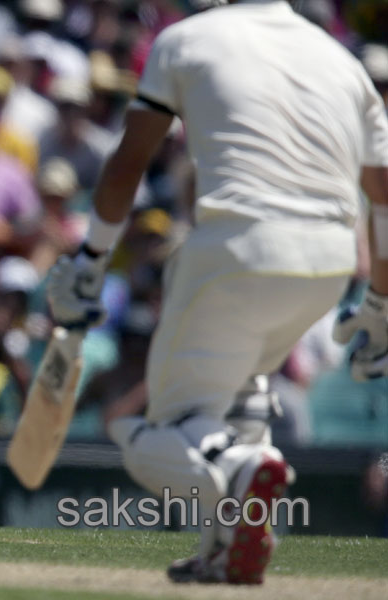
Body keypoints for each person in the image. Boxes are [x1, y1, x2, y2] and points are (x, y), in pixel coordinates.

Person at [46, 0, 388, 585]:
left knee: (150, 434)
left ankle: (242, 466)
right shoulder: (345, 62)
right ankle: (224, 548)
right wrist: (380, 301)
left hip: (236, 250)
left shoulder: (185, 38)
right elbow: (382, 201)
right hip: (329, 265)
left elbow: (130, 162)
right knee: (238, 396)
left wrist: (90, 258)